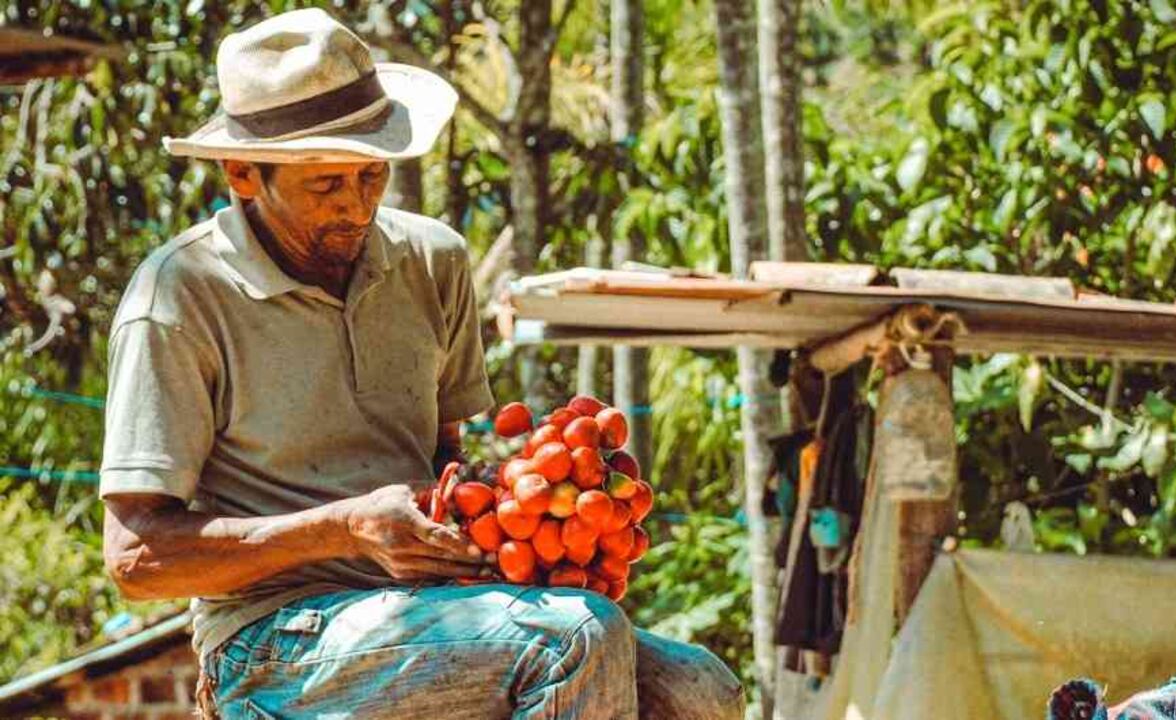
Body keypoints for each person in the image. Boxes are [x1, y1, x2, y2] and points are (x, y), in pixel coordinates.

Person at [99, 9, 745, 719]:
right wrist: (344, 528)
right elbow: (137, 560)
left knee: (699, 687)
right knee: (571, 639)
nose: (356, 206)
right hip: (272, 640)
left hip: (430, 611)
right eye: (325, 186)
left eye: (372, 174)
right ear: (243, 173)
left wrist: (538, 501)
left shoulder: (432, 260)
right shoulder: (177, 296)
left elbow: (446, 464)